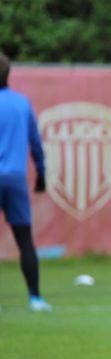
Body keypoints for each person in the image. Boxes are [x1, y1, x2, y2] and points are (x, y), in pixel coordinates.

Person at [0, 52, 51, 312]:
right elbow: (35, 142)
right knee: (24, 239)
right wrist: (42, 173)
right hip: (15, 178)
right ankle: (35, 298)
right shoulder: (21, 104)